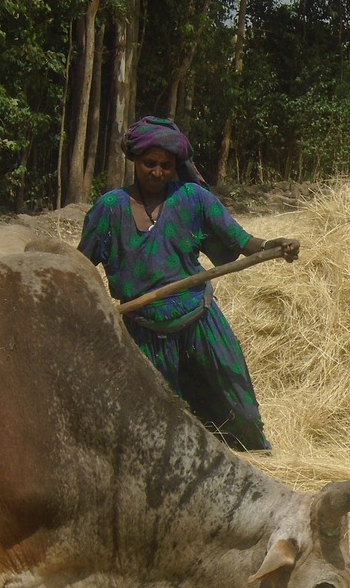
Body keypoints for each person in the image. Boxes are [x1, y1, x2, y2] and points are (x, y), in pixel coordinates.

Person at [78, 116, 300, 452]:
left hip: (201, 326)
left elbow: (242, 241)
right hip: (143, 334)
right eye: (149, 164)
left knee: (240, 415)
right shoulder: (110, 208)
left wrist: (274, 245)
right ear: (134, 161)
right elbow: (80, 266)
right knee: (157, 433)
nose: (157, 172)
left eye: (166, 165)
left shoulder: (193, 199)